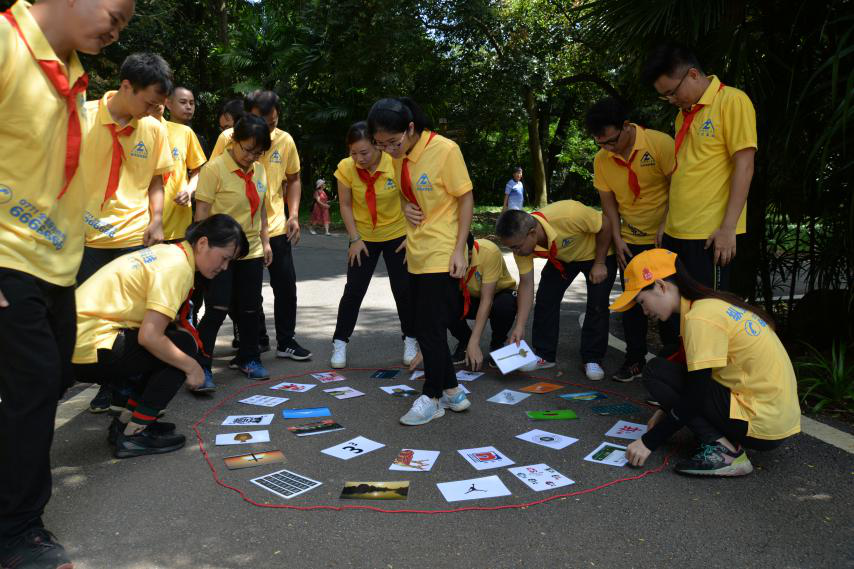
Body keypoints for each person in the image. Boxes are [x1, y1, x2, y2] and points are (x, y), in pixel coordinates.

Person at [0, 0, 134, 566]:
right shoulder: (5, 44)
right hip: (8, 259)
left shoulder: (72, 76)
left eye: (125, 24)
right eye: (114, 14)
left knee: (48, 384)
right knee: (31, 392)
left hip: (56, 265)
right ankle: (17, 533)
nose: (116, 30)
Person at [610, 249, 801, 476]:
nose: (644, 311)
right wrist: (664, 409)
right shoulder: (709, 304)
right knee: (669, 356)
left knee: (656, 371)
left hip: (761, 422)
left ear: (661, 286)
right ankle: (724, 439)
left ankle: (725, 453)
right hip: (775, 417)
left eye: (642, 301)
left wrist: (648, 441)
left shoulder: (700, 317)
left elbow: (695, 395)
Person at [71, 215, 248, 458]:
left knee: (176, 339)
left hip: (79, 339)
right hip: (90, 345)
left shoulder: (170, 254)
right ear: (203, 243)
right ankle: (134, 434)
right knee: (183, 347)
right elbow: (150, 337)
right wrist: (193, 367)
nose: (225, 267)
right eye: (225, 258)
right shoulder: (177, 267)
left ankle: (127, 423)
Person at [77, 51, 174, 413]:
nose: (152, 111)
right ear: (126, 86)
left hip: (134, 237)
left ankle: (119, 387)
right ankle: (97, 379)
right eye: (149, 103)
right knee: (89, 317)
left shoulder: (153, 128)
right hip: (85, 238)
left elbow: (156, 180)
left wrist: (157, 220)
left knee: (129, 320)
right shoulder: (81, 116)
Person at [368, 97, 474, 426]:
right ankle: (454, 391)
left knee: (429, 328)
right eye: (381, 144)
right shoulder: (397, 157)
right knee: (425, 325)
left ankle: (433, 397)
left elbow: (466, 199)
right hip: (417, 249)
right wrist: (405, 207)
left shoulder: (445, 150)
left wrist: (459, 249)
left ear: (411, 128)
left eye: (393, 142)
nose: (388, 150)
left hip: (443, 249)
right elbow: (405, 192)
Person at [641, 43, 757, 291]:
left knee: (705, 309)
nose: (671, 100)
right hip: (675, 232)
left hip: (707, 235)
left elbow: (745, 166)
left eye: (672, 92)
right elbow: (682, 172)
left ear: (693, 74)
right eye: (665, 96)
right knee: (675, 309)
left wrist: (728, 229)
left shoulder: (732, 101)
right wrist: (666, 221)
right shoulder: (682, 115)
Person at [210, 90, 310, 362]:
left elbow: (294, 179)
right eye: (262, 121)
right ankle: (256, 338)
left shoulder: (285, 141)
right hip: (237, 230)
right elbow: (213, 174)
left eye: (273, 121)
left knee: (285, 286)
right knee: (241, 293)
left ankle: (286, 341)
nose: (268, 127)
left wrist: (294, 215)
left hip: (274, 226)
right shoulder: (228, 139)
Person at [587, 96, 679, 380]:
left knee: (668, 302)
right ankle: (634, 360)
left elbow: (678, 188)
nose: (607, 148)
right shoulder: (602, 160)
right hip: (631, 240)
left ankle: (672, 365)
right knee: (633, 302)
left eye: (611, 141)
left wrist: (666, 223)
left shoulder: (660, 143)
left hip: (666, 237)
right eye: (600, 143)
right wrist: (617, 237)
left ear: (626, 126)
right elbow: (609, 205)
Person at [495, 203, 617, 380]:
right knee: (546, 298)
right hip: (563, 258)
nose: (515, 252)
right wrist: (519, 326)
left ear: (532, 233)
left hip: (597, 254)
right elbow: (526, 284)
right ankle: (545, 354)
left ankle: (592, 358)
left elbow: (605, 224)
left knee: (597, 304)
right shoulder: (521, 246)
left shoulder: (569, 214)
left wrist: (600, 263)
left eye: (516, 247)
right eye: (511, 248)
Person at [330, 121, 417, 368]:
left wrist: (411, 236)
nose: (359, 158)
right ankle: (339, 342)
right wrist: (354, 238)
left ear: (377, 146)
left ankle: (411, 339)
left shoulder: (396, 162)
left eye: (364, 152)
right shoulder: (345, 168)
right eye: (353, 153)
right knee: (354, 290)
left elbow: (411, 199)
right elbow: (345, 205)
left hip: (397, 234)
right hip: (363, 237)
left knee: (403, 290)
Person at [195, 114, 272, 386]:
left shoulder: (260, 170)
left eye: (257, 152)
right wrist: (202, 253)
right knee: (217, 308)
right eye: (247, 149)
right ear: (234, 140)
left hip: (250, 251)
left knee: (250, 309)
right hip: (219, 253)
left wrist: (265, 241)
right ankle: (201, 364)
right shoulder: (214, 169)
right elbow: (201, 215)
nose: (251, 157)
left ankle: (249, 357)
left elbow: (261, 210)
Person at [448, 234, 519, 370]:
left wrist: (475, 342)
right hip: (469, 295)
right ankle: (465, 341)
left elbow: (487, 300)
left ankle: (497, 344)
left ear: (469, 253)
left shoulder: (489, 252)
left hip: (497, 294)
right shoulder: (445, 255)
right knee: (446, 305)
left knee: (504, 306)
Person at [151, 103, 207, 242]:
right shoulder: (129, 131)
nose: (156, 101)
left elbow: (198, 170)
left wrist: (189, 190)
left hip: (177, 224)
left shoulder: (184, 132)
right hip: (138, 226)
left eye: (161, 95)